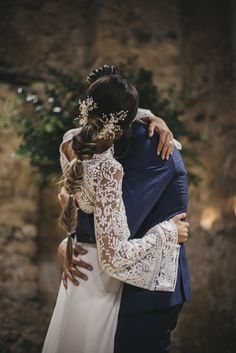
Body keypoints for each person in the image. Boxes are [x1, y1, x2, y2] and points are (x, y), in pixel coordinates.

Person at [42, 66, 189, 353]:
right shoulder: (110, 167)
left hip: (82, 279)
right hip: (100, 276)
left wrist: (71, 239)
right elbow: (115, 254)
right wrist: (169, 232)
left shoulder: (70, 146)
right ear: (124, 125)